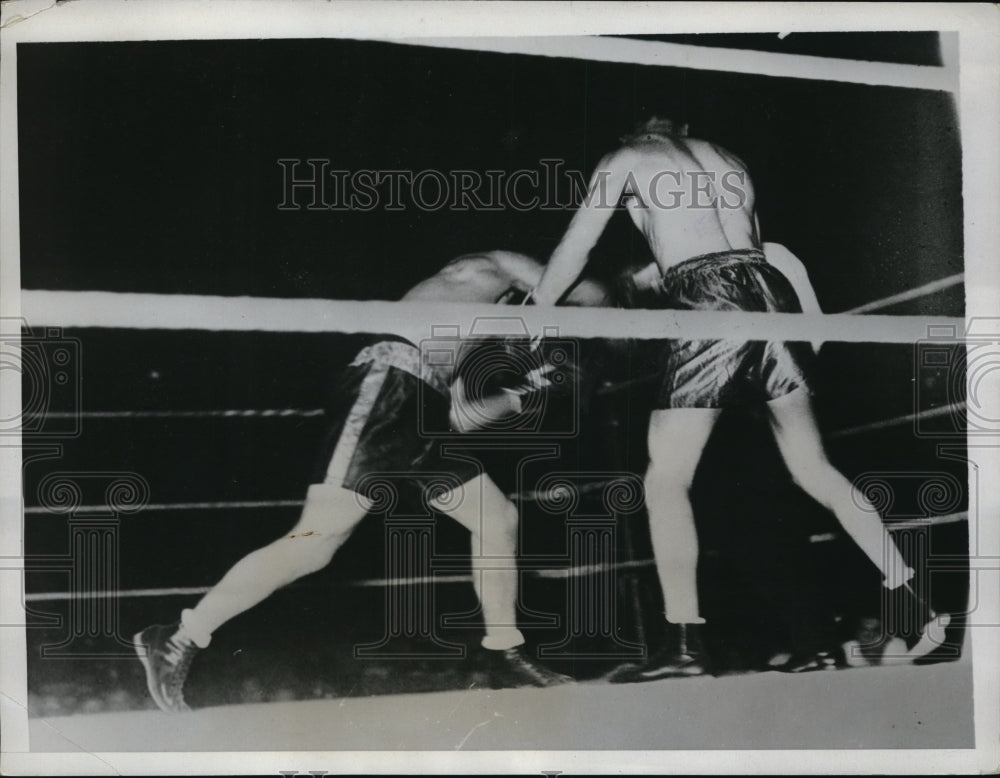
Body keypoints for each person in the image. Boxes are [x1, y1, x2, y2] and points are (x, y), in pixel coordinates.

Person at [530, 117, 946, 681]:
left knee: (666, 477)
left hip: (710, 300)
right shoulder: (727, 157)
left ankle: (685, 646)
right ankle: (918, 608)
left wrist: (530, 321)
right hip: (769, 291)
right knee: (813, 467)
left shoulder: (625, 157)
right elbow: (748, 245)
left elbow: (574, 250)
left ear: (638, 132)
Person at [134, 251, 609, 713]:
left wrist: (523, 394)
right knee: (315, 542)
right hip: (391, 380)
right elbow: (580, 286)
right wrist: (607, 315)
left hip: (422, 407)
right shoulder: (494, 269)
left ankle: (505, 654)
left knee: (497, 517)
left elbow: (461, 417)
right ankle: (178, 638)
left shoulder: (480, 335)